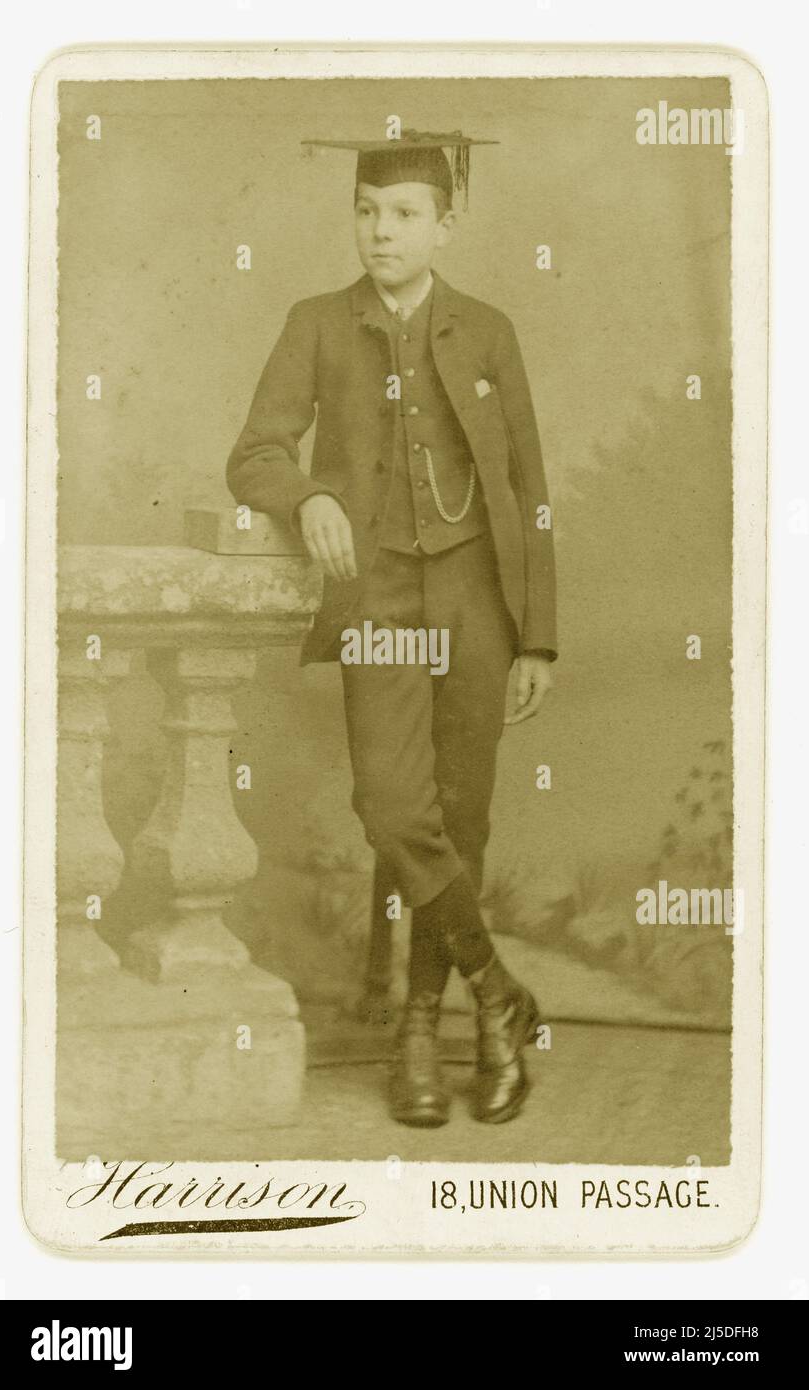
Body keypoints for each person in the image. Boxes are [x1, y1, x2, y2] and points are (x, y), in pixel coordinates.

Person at [226, 128, 557, 1127]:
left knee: (459, 816)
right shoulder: (318, 323)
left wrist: (537, 634)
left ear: (445, 223)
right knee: (391, 803)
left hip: (474, 600)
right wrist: (308, 497)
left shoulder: (488, 330)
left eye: (405, 215)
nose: (382, 232)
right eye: (368, 212)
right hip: (380, 602)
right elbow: (253, 455)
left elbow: (531, 490)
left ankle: (423, 1026)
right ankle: (502, 994)